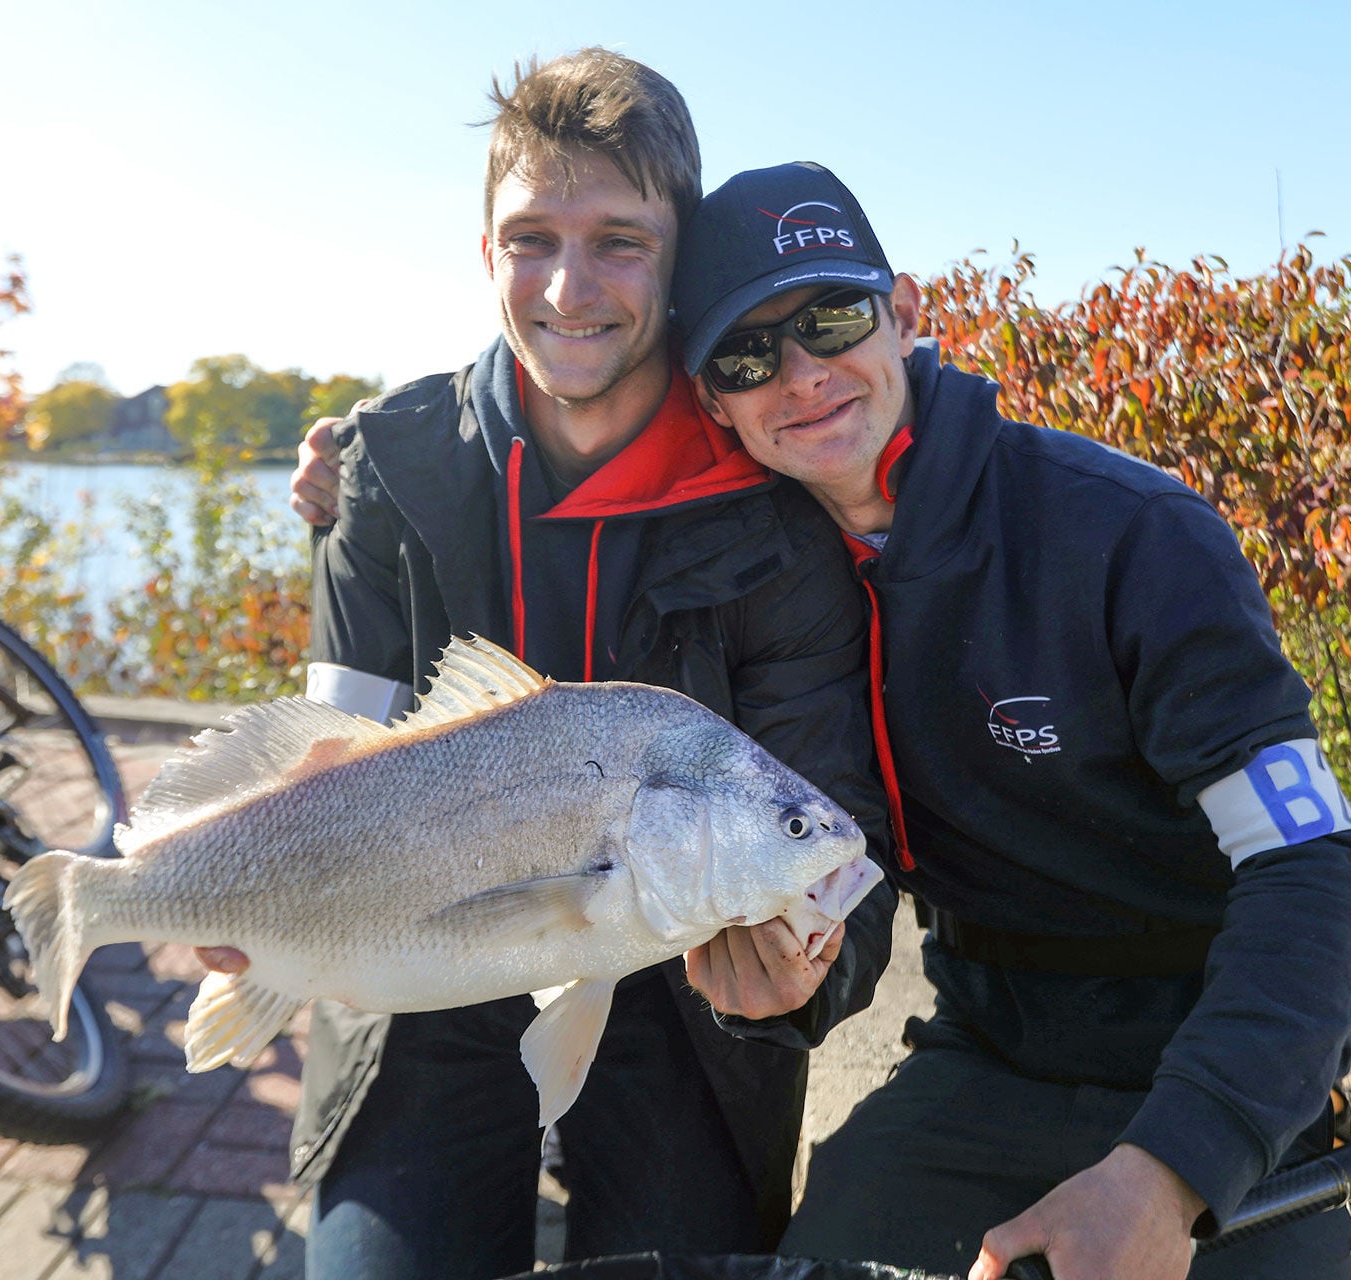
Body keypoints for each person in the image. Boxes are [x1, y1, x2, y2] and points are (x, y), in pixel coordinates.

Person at [661, 161, 1351, 1280]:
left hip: (1212, 1053)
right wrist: (794, 983)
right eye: (749, 356)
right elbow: (848, 870)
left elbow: (1317, 864)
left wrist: (1172, 1168)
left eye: (833, 318)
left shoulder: (1132, 531)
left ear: (906, 313)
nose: (801, 374)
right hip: (985, 1051)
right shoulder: (752, 587)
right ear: (716, 402)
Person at [234, 58, 897, 1280]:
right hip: (419, 968)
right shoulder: (387, 467)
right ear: (485, 251)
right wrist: (242, 875)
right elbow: (321, 750)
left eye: (620, 243)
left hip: (685, 999)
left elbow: (837, 826)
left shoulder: (773, 501)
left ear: (680, 257)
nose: (567, 287)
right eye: (530, 238)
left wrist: (808, 972)